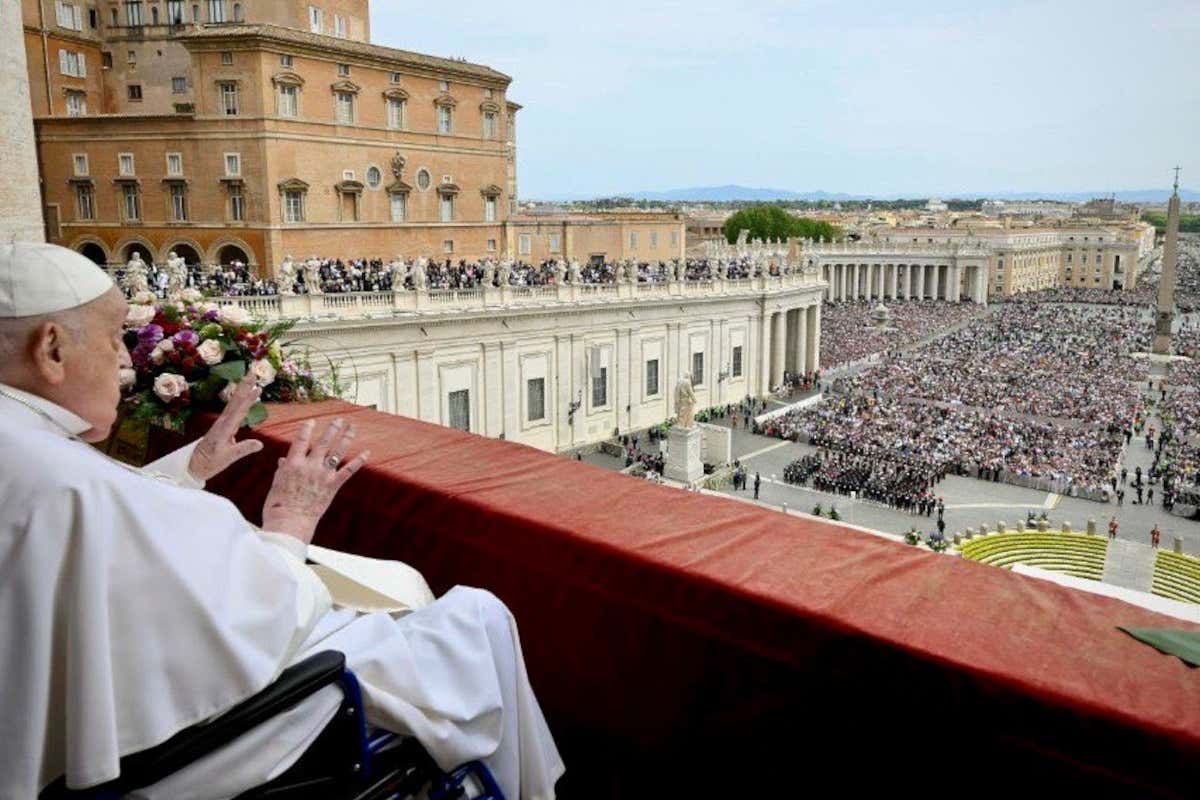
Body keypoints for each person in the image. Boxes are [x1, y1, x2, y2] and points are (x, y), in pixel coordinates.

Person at [0, 244, 563, 800]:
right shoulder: (74, 484)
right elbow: (262, 615)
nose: (126, 359)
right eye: (115, 335)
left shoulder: (27, 446)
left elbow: (107, 537)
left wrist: (191, 470)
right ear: (51, 349)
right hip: (206, 744)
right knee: (478, 615)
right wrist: (291, 522)